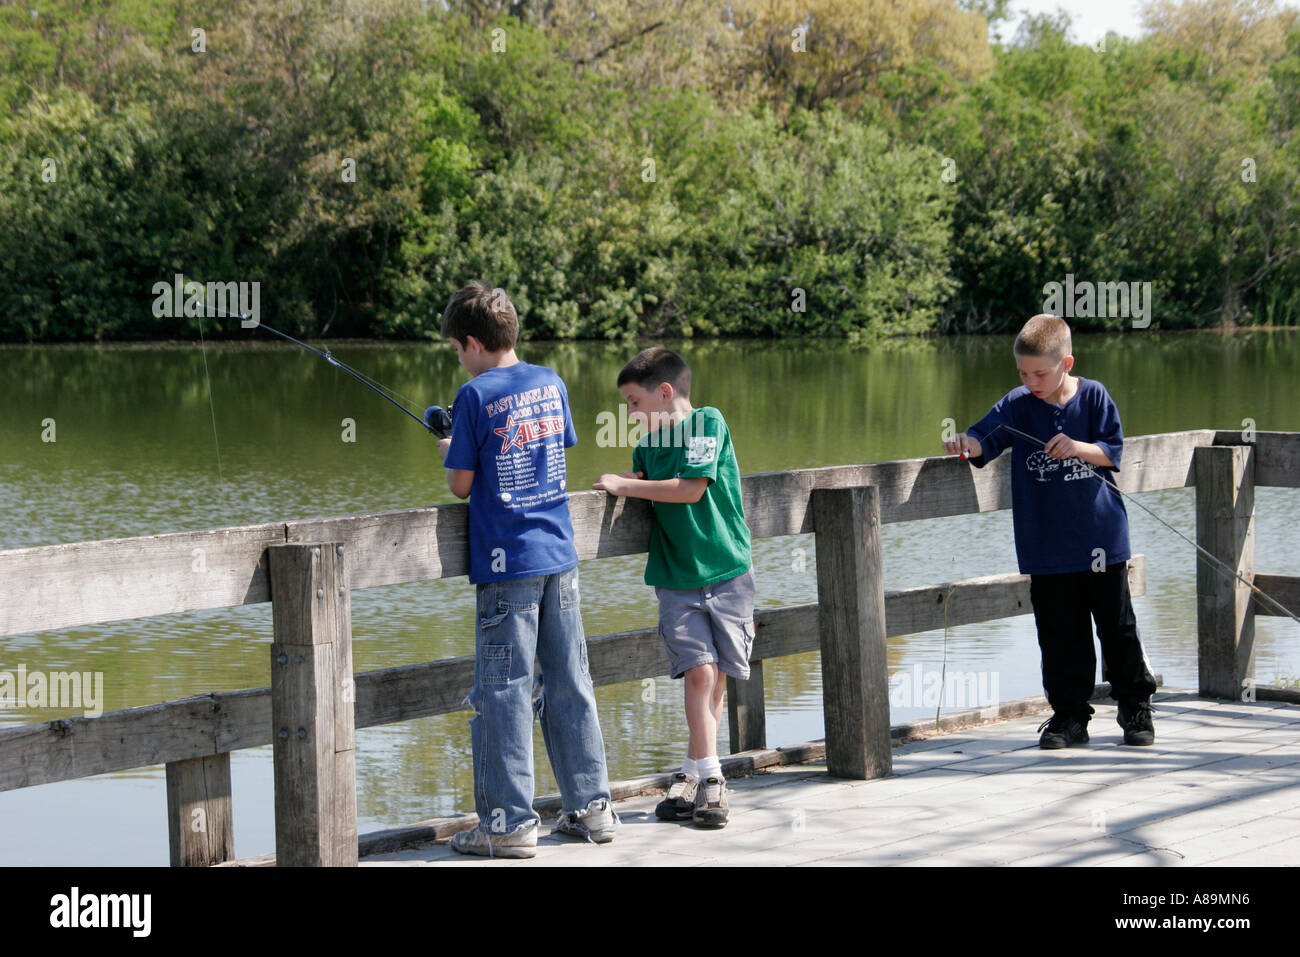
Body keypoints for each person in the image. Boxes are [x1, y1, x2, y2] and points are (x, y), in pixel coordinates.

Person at [437, 281, 617, 858]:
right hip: (558, 556)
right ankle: (592, 808)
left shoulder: (473, 396)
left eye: (457, 351)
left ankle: (507, 823)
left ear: (471, 343)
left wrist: (449, 450)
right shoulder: (550, 382)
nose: (460, 361)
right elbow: (553, 449)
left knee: (503, 691)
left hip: (505, 562)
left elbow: (463, 485)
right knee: (570, 681)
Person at [943, 314, 1158, 749]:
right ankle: (1069, 717)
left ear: (1066, 363)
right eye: (1023, 372)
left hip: (1102, 541)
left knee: (1117, 629)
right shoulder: (1017, 404)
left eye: (1040, 372)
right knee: (1061, 636)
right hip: (1046, 547)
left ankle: (1135, 708)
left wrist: (1078, 447)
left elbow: (1111, 450)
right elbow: (986, 438)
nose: (1031, 380)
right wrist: (967, 443)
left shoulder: (1094, 396)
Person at [593, 347, 754, 828]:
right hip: (676, 579)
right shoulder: (647, 448)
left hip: (726, 570)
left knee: (717, 676)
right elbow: (653, 482)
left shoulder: (707, 422)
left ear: (665, 393)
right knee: (700, 674)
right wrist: (631, 478)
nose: (629, 414)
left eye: (633, 402)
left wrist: (627, 487)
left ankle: (689, 777)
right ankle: (712, 779)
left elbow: (690, 488)